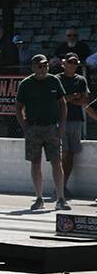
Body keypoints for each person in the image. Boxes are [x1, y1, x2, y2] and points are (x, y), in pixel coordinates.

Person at [15, 54, 69, 211]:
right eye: (40, 66)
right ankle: (39, 198)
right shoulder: (26, 84)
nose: (43, 68)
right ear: (33, 67)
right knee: (35, 162)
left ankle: (60, 198)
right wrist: (25, 126)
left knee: (56, 162)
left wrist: (62, 125)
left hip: (52, 128)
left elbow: (63, 104)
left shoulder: (54, 80)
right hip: (33, 128)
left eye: (45, 65)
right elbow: (18, 107)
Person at [56, 53, 89, 198]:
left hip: (76, 120)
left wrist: (67, 99)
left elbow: (84, 101)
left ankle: (63, 186)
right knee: (63, 153)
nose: (73, 65)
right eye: (70, 62)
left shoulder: (81, 80)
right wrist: (72, 97)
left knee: (70, 154)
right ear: (64, 63)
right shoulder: (56, 79)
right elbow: (56, 100)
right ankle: (59, 186)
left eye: (75, 63)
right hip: (60, 120)